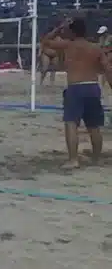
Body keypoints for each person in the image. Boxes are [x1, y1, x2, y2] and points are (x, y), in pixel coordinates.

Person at [40, 17, 112, 168]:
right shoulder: (95, 47)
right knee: (94, 126)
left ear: (71, 31)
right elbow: (107, 69)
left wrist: (58, 28)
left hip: (76, 87)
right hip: (93, 86)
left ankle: (73, 160)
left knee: (71, 123)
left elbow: (45, 42)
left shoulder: (67, 45)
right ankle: (97, 159)